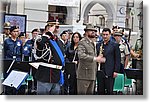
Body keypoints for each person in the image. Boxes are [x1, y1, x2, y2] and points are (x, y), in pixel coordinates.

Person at [34, 20, 65, 95]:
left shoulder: (59, 42)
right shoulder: (41, 39)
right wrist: (48, 33)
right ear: (48, 28)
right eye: (55, 27)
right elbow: (39, 47)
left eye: (57, 27)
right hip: (45, 75)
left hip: (56, 75)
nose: (56, 29)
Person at [76, 24, 105, 95]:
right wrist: (95, 59)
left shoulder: (92, 43)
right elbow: (81, 55)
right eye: (91, 31)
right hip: (84, 75)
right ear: (86, 32)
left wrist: (99, 57)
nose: (93, 32)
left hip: (92, 74)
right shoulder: (82, 42)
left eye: (94, 31)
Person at [96, 28, 121, 95]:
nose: (105, 36)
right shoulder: (98, 45)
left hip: (110, 71)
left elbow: (118, 59)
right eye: (103, 34)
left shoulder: (114, 45)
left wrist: (116, 71)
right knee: (100, 90)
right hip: (100, 70)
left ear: (110, 35)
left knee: (109, 91)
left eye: (107, 34)